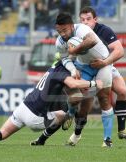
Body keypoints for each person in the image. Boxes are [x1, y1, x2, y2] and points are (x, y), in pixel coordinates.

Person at [0, 62, 103, 146]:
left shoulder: (53, 67)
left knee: (3, 133)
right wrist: (93, 83)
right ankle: (41, 140)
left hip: (23, 107)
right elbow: (72, 83)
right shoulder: (63, 72)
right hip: (34, 118)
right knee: (62, 115)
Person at [32, 12, 114, 147]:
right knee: (74, 96)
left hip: (102, 64)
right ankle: (70, 112)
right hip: (84, 66)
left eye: (64, 30)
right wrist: (72, 70)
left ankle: (107, 139)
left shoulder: (81, 29)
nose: (62, 34)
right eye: (59, 31)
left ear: (71, 26)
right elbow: (64, 58)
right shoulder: (59, 41)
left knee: (104, 99)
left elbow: (92, 40)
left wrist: (74, 50)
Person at [65, 6, 126, 146]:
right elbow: (67, 54)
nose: (85, 22)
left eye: (88, 19)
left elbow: (120, 51)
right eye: (82, 19)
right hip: (86, 68)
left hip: (104, 65)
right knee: (83, 105)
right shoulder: (76, 32)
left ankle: (120, 130)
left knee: (121, 91)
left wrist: (105, 62)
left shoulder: (104, 30)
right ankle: (76, 135)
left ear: (95, 20)